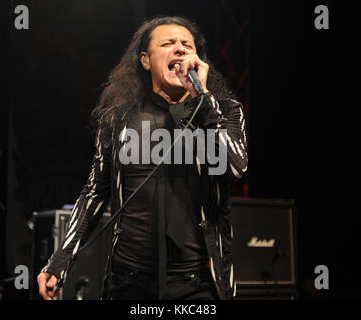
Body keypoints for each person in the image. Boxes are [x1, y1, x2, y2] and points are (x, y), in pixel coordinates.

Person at [37, 15, 248, 300]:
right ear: (146, 60)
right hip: (130, 280)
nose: (181, 49)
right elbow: (95, 192)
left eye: (188, 45)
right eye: (168, 43)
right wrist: (60, 260)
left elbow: (234, 167)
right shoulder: (119, 118)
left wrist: (202, 98)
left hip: (199, 283)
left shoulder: (223, 110)